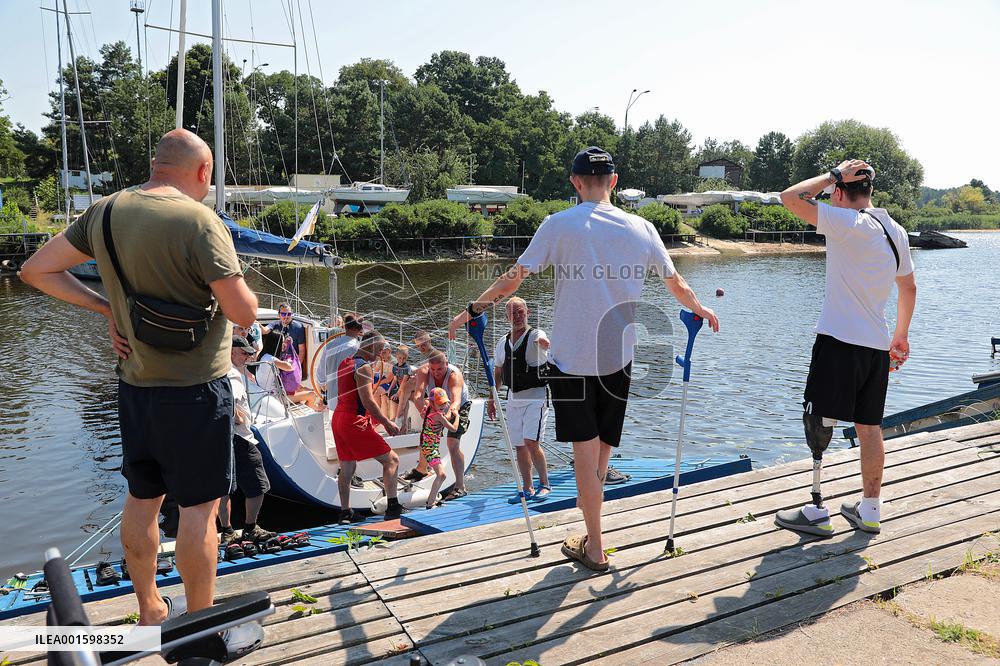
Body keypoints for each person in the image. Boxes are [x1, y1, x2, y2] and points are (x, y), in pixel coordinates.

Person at [20, 128, 258, 624]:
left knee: (142, 498)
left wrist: (107, 309)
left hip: (134, 388)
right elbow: (243, 314)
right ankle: (198, 622)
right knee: (199, 511)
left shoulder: (104, 211)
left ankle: (149, 608)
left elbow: (36, 271)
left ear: (155, 165)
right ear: (202, 172)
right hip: (196, 392)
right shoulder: (200, 221)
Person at [449, 146, 719, 572]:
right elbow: (677, 282)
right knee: (600, 452)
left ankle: (594, 544)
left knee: (585, 457)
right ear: (613, 181)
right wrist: (701, 308)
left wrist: (474, 309)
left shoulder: (558, 225)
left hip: (572, 363)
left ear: (575, 183)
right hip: (620, 360)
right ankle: (590, 500)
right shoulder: (644, 228)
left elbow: (514, 277)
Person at [774, 160, 916, 537]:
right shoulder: (895, 229)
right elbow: (909, 288)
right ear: (870, 192)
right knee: (870, 428)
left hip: (837, 341)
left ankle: (817, 510)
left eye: (834, 192)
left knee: (818, 418)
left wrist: (830, 175)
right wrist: (900, 336)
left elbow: (789, 198)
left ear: (839, 194)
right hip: (875, 346)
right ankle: (870, 510)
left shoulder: (845, 222)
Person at [330, 331, 404, 522]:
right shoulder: (363, 368)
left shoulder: (345, 363)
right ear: (370, 346)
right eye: (379, 349)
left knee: (347, 467)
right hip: (353, 420)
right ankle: (393, 507)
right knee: (392, 460)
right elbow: (368, 401)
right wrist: (387, 422)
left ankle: (345, 512)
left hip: (338, 418)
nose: (380, 354)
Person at [490, 297, 552, 500]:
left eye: (520, 312)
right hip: (513, 399)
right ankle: (527, 488)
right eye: (512, 313)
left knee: (531, 442)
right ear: (506, 316)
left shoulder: (535, 335)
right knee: (519, 445)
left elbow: (545, 343)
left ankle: (545, 484)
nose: (517, 316)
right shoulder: (503, 342)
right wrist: (492, 397)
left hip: (536, 397)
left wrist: (545, 344)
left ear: (527, 313)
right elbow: (499, 370)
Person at [220, 336, 276, 551]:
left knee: (224, 486)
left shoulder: (221, 371)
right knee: (258, 483)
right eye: (243, 352)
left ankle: (227, 530)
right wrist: (237, 417)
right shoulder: (233, 374)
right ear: (231, 352)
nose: (248, 356)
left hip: (223, 438)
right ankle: (250, 528)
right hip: (240, 437)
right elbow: (229, 402)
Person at [419, 387, 459, 509]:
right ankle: (430, 503)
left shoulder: (430, 410)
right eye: (440, 403)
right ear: (432, 403)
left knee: (441, 474)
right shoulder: (437, 415)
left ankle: (431, 501)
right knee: (442, 475)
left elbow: (441, 418)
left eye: (445, 402)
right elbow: (454, 429)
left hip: (427, 447)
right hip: (430, 449)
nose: (443, 405)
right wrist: (456, 416)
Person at [317, 317, 364, 411]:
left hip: (332, 400)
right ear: (359, 330)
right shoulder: (357, 349)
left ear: (344, 327)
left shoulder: (329, 345)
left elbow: (320, 375)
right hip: (349, 402)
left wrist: (324, 387)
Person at [277, 334, 322, 410]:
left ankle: (315, 407)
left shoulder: (275, 358)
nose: (284, 344)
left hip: (280, 393)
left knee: (311, 392)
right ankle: (317, 409)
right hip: (281, 397)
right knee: (312, 395)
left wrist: (307, 389)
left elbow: (290, 382)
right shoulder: (279, 362)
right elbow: (289, 371)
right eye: (282, 342)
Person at [270, 303, 308, 382]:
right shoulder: (275, 325)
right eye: (283, 314)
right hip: (277, 361)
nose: (286, 316)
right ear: (279, 315)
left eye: (289, 314)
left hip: (291, 362)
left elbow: (301, 350)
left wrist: (296, 368)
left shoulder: (298, 327)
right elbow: (265, 330)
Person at [387, 344, 415, 421]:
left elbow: (404, 381)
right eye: (400, 358)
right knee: (388, 396)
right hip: (400, 388)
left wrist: (397, 393)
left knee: (400, 398)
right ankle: (391, 419)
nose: (402, 360)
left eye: (404, 358)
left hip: (406, 389)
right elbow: (395, 379)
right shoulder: (395, 367)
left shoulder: (407, 367)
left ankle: (399, 420)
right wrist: (389, 390)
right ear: (396, 356)